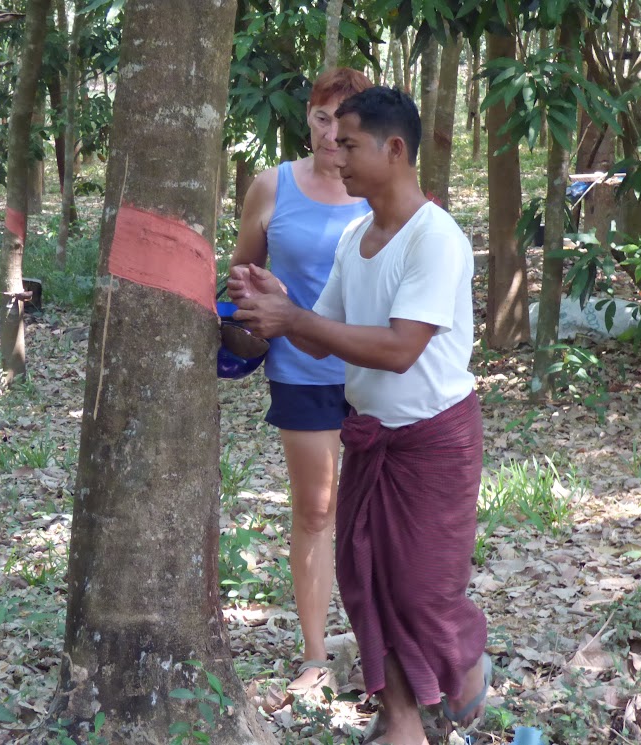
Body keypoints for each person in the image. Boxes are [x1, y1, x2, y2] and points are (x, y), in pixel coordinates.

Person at [229, 86, 490, 745]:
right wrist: (282, 305)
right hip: (371, 436)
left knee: (423, 591)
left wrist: (296, 318)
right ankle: (399, 719)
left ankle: (461, 668)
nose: (334, 154)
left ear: (393, 149)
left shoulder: (435, 238)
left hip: (433, 441)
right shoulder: (355, 235)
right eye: (333, 140)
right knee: (367, 581)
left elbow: (402, 347)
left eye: (349, 143)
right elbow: (325, 334)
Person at [228, 67, 373, 694]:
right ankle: (315, 655)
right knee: (316, 511)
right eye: (320, 117)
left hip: (372, 370)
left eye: (344, 121)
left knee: (375, 513)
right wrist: (251, 300)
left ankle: (382, 644)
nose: (330, 133)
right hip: (301, 372)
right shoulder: (271, 187)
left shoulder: (381, 190)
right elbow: (239, 274)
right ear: (307, 118)